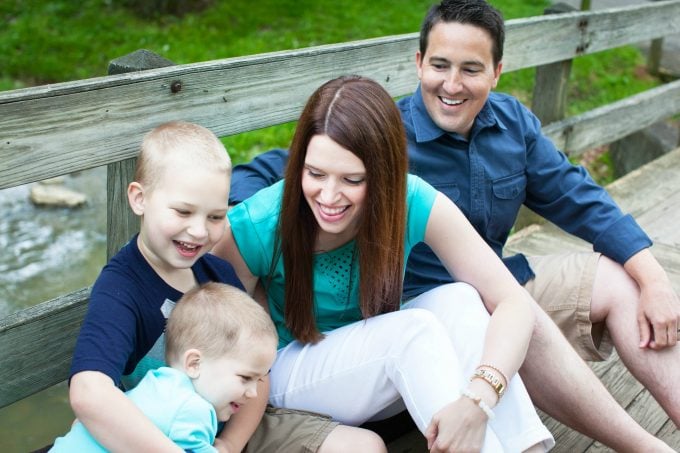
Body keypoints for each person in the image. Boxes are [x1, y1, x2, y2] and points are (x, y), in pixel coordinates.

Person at [226, 1, 680, 450]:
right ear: (419, 63)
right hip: (398, 316)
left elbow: (576, 196)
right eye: (440, 65)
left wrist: (654, 276)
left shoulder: (506, 125)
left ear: (497, 71)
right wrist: (215, 213)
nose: (452, 84)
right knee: (467, 319)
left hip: (473, 292)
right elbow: (292, 170)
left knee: (612, 284)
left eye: (470, 69)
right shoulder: (377, 136)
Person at [213, 74, 555, 452]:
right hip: (286, 370)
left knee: (459, 298)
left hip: (375, 361)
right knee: (412, 331)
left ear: (384, 174)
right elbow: (216, 337)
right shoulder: (259, 224)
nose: (328, 195)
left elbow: (513, 302)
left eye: (352, 179)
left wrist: (480, 396)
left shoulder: (408, 199)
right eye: (314, 173)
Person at [67, 121, 386, 453]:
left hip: (232, 426)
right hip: (154, 437)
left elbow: (258, 374)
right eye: (183, 211)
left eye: (215, 217)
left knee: (364, 447)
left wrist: (231, 444)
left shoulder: (218, 273)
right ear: (139, 199)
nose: (199, 231)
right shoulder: (122, 288)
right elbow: (89, 391)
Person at [52, 282, 277, 452]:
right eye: (245, 378)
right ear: (194, 363)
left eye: (258, 380)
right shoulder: (192, 410)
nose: (253, 393)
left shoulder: (155, 384)